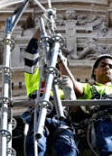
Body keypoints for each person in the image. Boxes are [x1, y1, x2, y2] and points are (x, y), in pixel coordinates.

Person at [23, 28, 78, 156]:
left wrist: (70, 91)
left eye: (55, 67)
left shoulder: (63, 86)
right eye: (47, 65)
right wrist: (40, 30)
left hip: (61, 119)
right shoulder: (34, 79)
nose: (50, 69)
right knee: (36, 146)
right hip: (38, 115)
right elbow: (30, 54)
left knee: (67, 148)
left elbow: (76, 108)